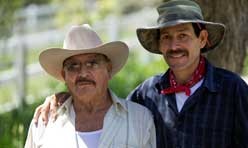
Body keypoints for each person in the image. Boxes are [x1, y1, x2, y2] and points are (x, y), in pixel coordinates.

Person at [32, 0, 248, 148]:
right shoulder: (148, 94)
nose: (174, 46)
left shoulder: (232, 89)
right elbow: (102, 105)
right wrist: (65, 98)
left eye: (183, 36)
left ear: (202, 39)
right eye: (166, 37)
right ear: (159, 44)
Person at [24, 24, 156, 148]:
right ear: (64, 75)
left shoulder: (140, 119)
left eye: (92, 63)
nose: (82, 73)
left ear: (108, 69)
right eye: (73, 66)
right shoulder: (43, 122)